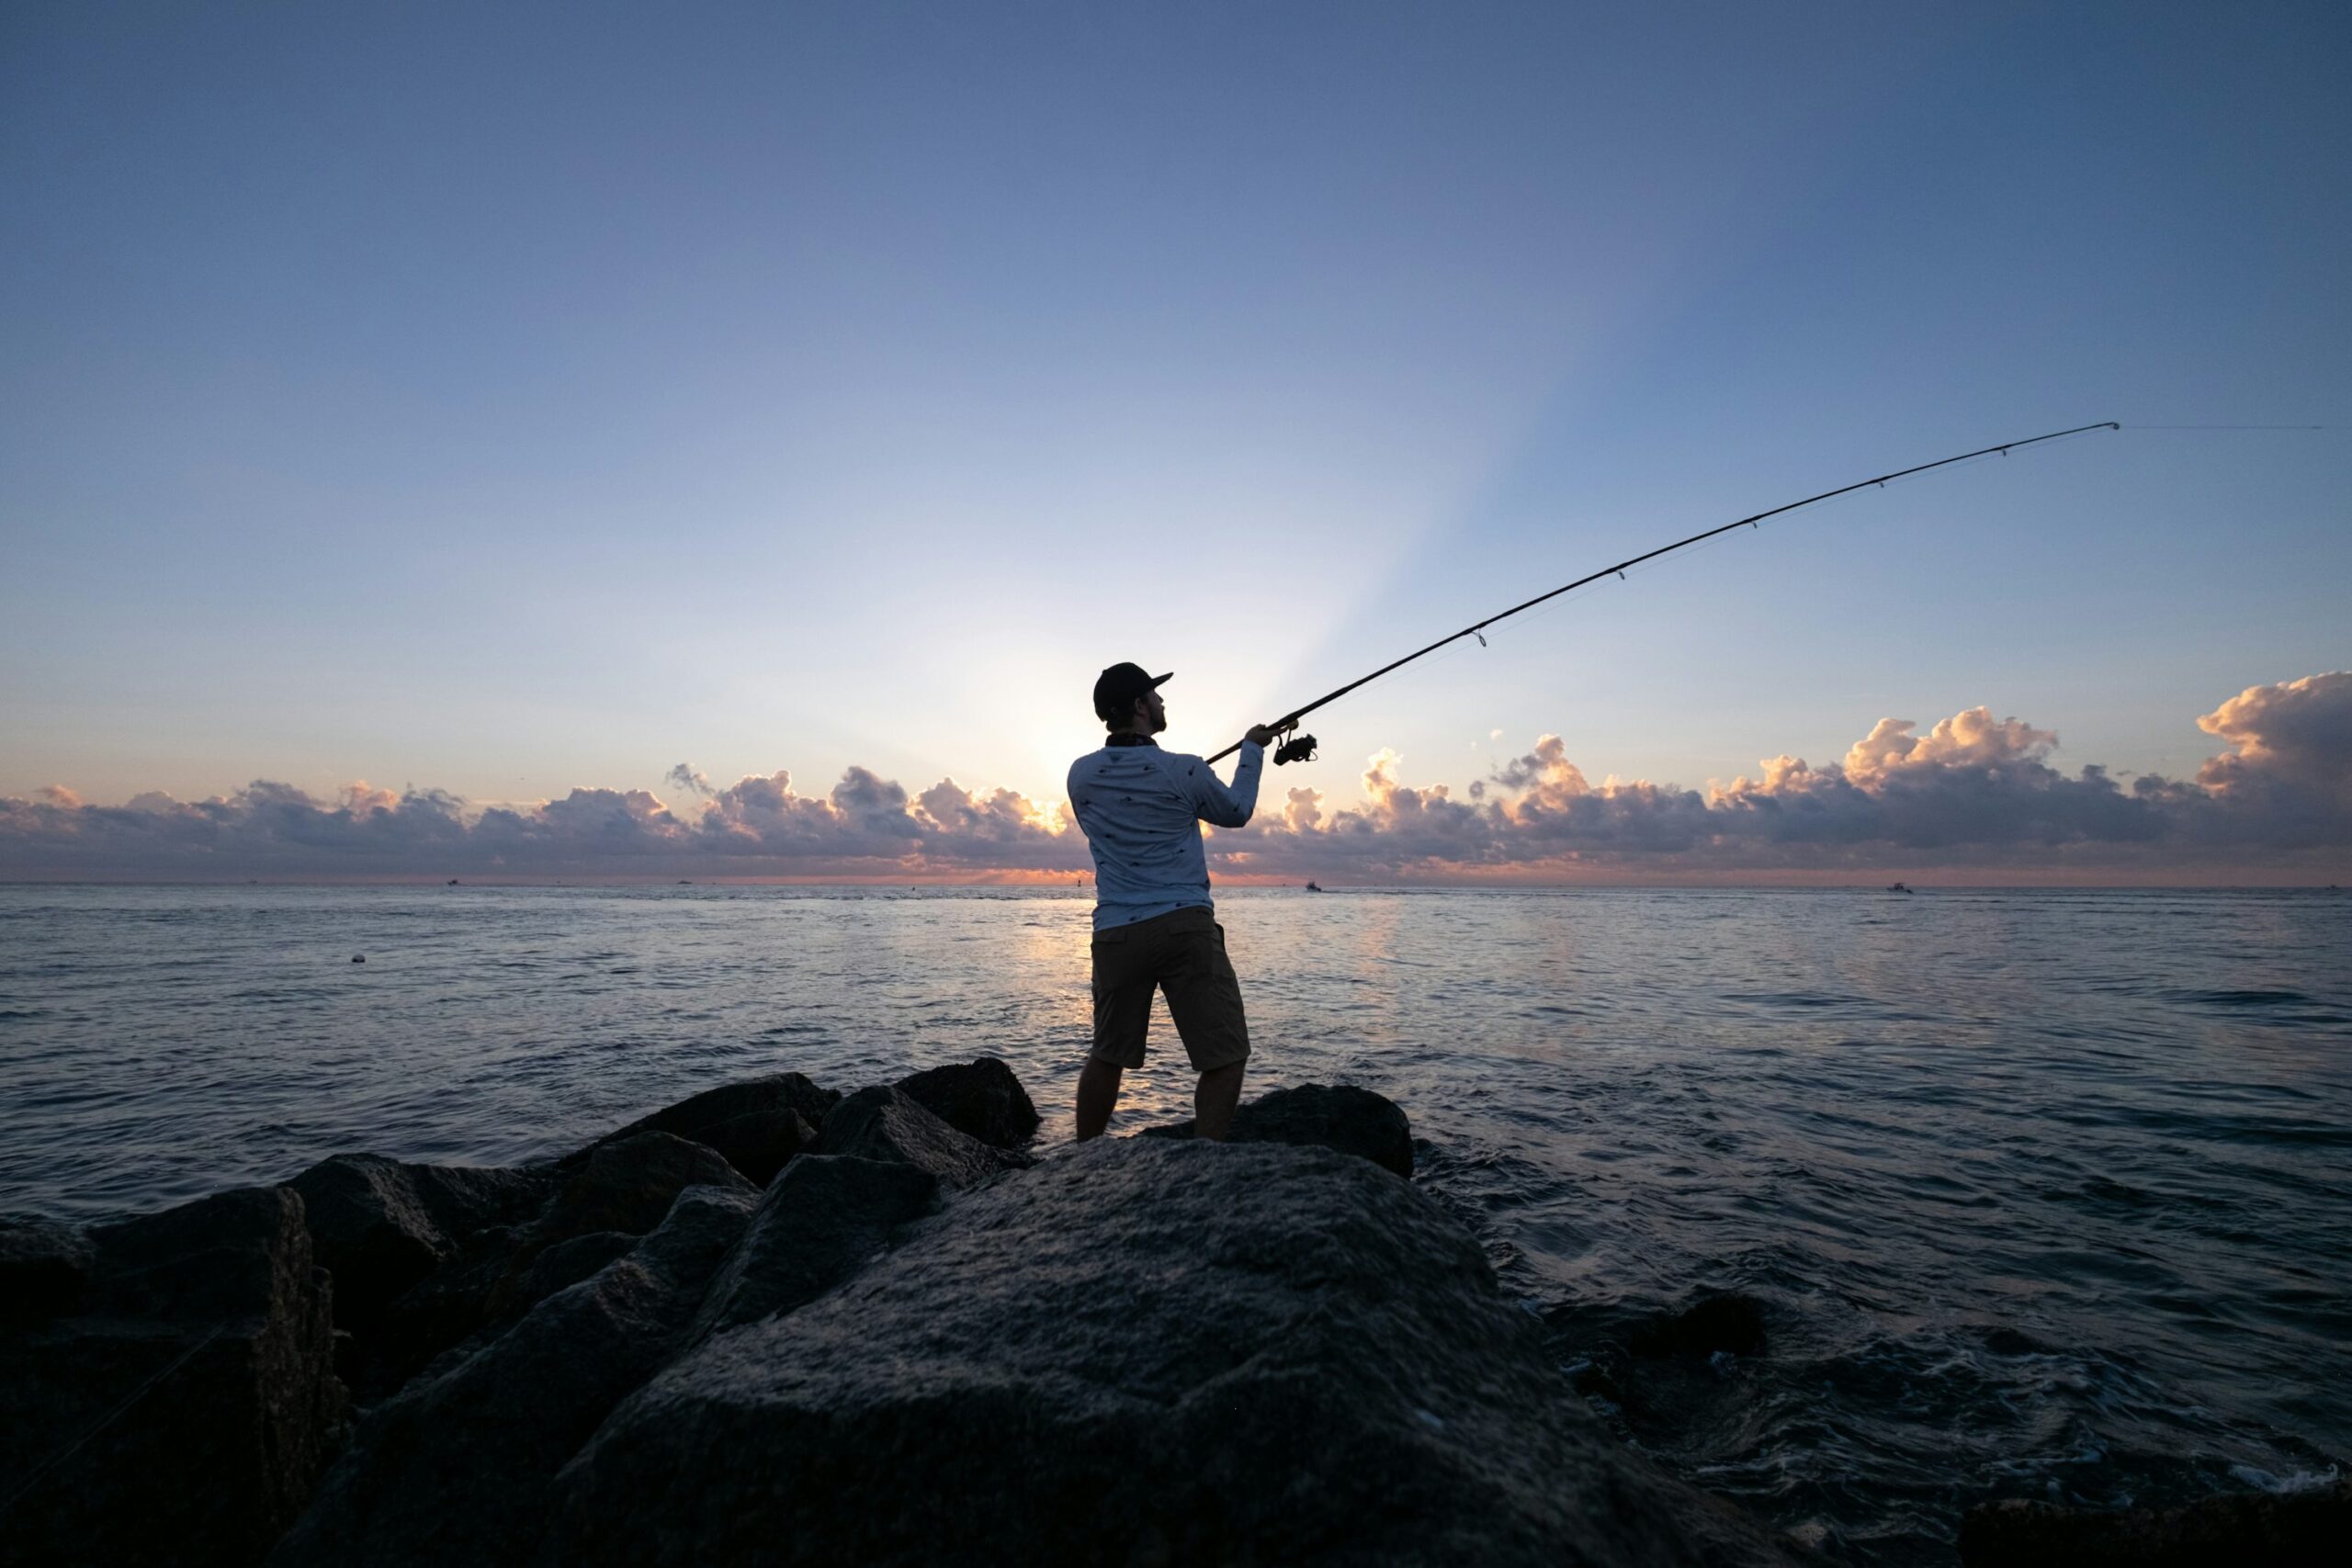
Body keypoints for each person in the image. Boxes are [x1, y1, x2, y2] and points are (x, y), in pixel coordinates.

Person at [1066, 662, 1275, 1142]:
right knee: (1224, 1056)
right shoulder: (1185, 769)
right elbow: (1237, 811)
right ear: (1140, 707)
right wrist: (1251, 749)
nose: (1163, 703)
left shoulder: (1080, 776)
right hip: (1185, 926)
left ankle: (1083, 1160)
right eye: (1155, 697)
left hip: (1116, 933)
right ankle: (1205, 1165)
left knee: (1107, 1053)